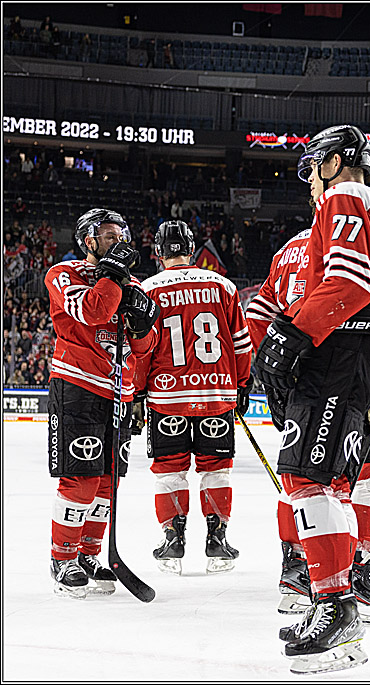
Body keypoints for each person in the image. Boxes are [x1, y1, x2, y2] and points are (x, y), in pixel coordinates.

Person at [251, 124, 370, 674]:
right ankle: (331, 601)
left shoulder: (347, 196)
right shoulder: (365, 204)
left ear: (335, 161)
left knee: (306, 478)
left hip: (342, 342)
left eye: (312, 167)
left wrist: (292, 334)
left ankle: (337, 607)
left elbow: (348, 284)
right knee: (326, 479)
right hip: (351, 345)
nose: (310, 182)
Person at [45, 208, 159, 597]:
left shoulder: (133, 284)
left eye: (123, 234)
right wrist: (112, 275)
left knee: (108, 481)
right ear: (89, 241)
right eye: (110, 236)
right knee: (81, 479)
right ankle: (63, 557)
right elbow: (93, 310)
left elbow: (144, 350)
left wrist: (143, 326)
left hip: (119, 391)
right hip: (77, 385)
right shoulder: (64, 274)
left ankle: (91, 554)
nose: (120, 242)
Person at [134, 220, 252, 575]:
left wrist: (136, 391)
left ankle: (172, 539)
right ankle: (217, 541)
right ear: (191, 248)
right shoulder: (223, 285)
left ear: (157, 252)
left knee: (170, 472)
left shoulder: (149, 289)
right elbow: (242, 343)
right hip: (216, 393)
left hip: (167, 397)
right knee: (216, 469)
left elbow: (142, 350)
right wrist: (241, 384)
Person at [244, 226, 315, 614]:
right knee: (338, 478)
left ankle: (294, 569)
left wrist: (269, 367)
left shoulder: (288, 248)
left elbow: (258, 312)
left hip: (289, 377)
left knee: (294, 474)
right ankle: (339, 571)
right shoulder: (351, 235)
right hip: (334, 372)